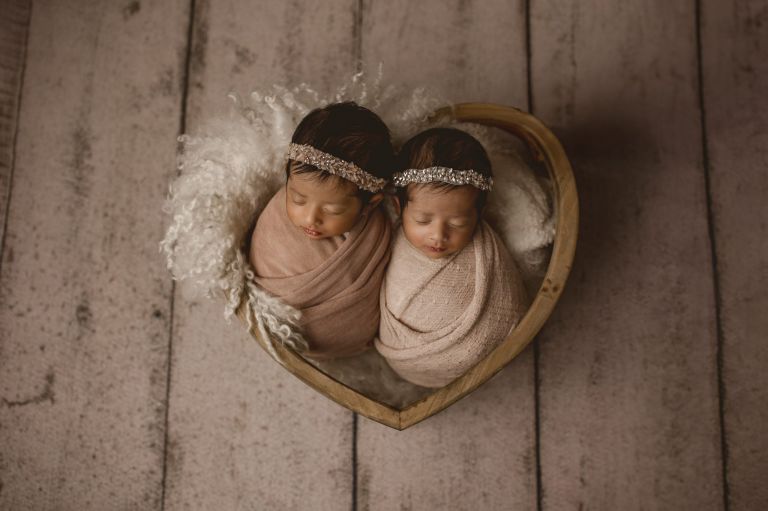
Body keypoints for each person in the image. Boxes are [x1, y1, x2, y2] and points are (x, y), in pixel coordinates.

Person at [376, 127, 528, 387]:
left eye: (458, 223)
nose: (438, 235)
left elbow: (507, 305)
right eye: (422, 220)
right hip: (403, 355)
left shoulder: (485, 249)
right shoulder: (387, 232)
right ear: (398, 207)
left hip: (479, 360)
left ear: (479, 215)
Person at [250, 102, 394, 359]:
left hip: (359, 344)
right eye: (297, 199)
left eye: (333, 210)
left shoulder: (378, 230)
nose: (310, 218)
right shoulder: (275, 219)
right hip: (287, 334)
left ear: (370, 204)